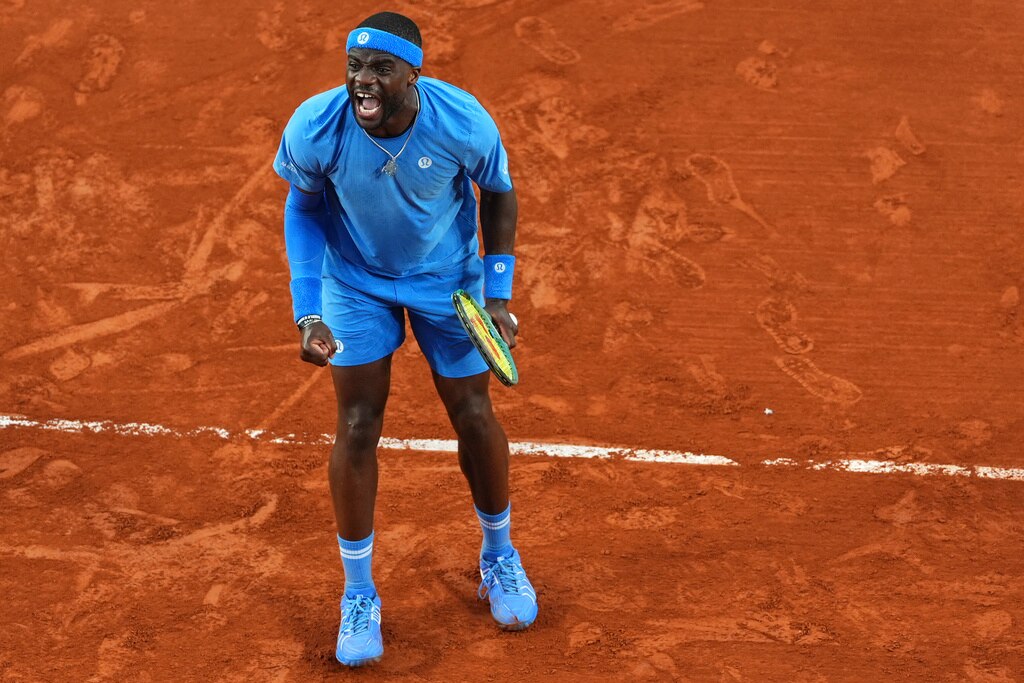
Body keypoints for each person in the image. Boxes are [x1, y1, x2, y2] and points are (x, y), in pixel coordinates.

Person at [272, 11, 537, 668]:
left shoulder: (461, 121)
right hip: (354, 282)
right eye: (354, 67)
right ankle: (358, 593)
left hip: (448, 281)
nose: (362, 81)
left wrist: (498, 296)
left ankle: (499, 554)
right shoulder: (317, 125)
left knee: (473, 413)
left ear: (413, 75)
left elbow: (498, 193)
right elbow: (303, 207)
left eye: (380, 69)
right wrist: (308, 312)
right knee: (357, 423)